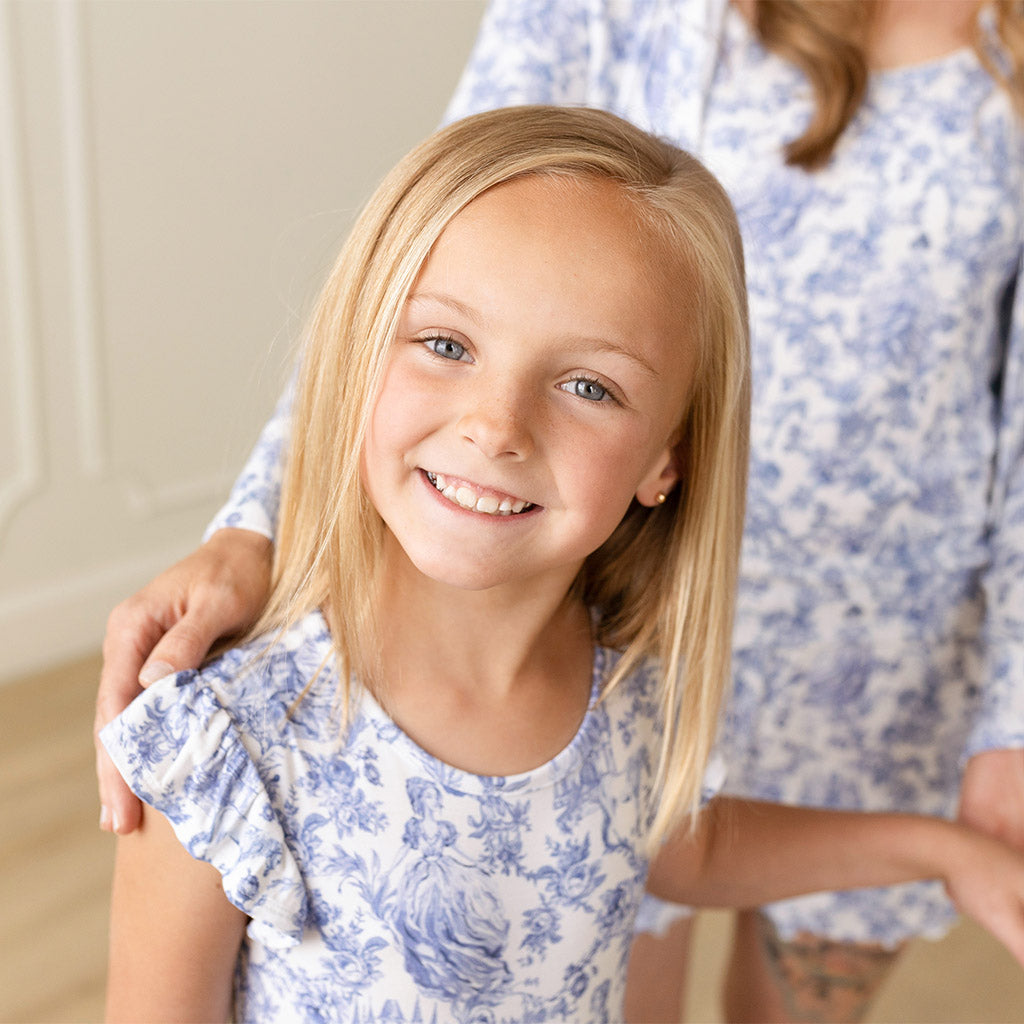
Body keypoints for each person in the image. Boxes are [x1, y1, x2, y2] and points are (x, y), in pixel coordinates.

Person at [95, 1, 1024, 1020]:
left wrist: (943, 841)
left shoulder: (625, 698)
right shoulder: (229, 743)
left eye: (588, 385)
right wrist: (251, 526)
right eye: (445, 347)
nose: (495, 425)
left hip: (891, 643)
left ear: (667, 462)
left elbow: (691, 845)